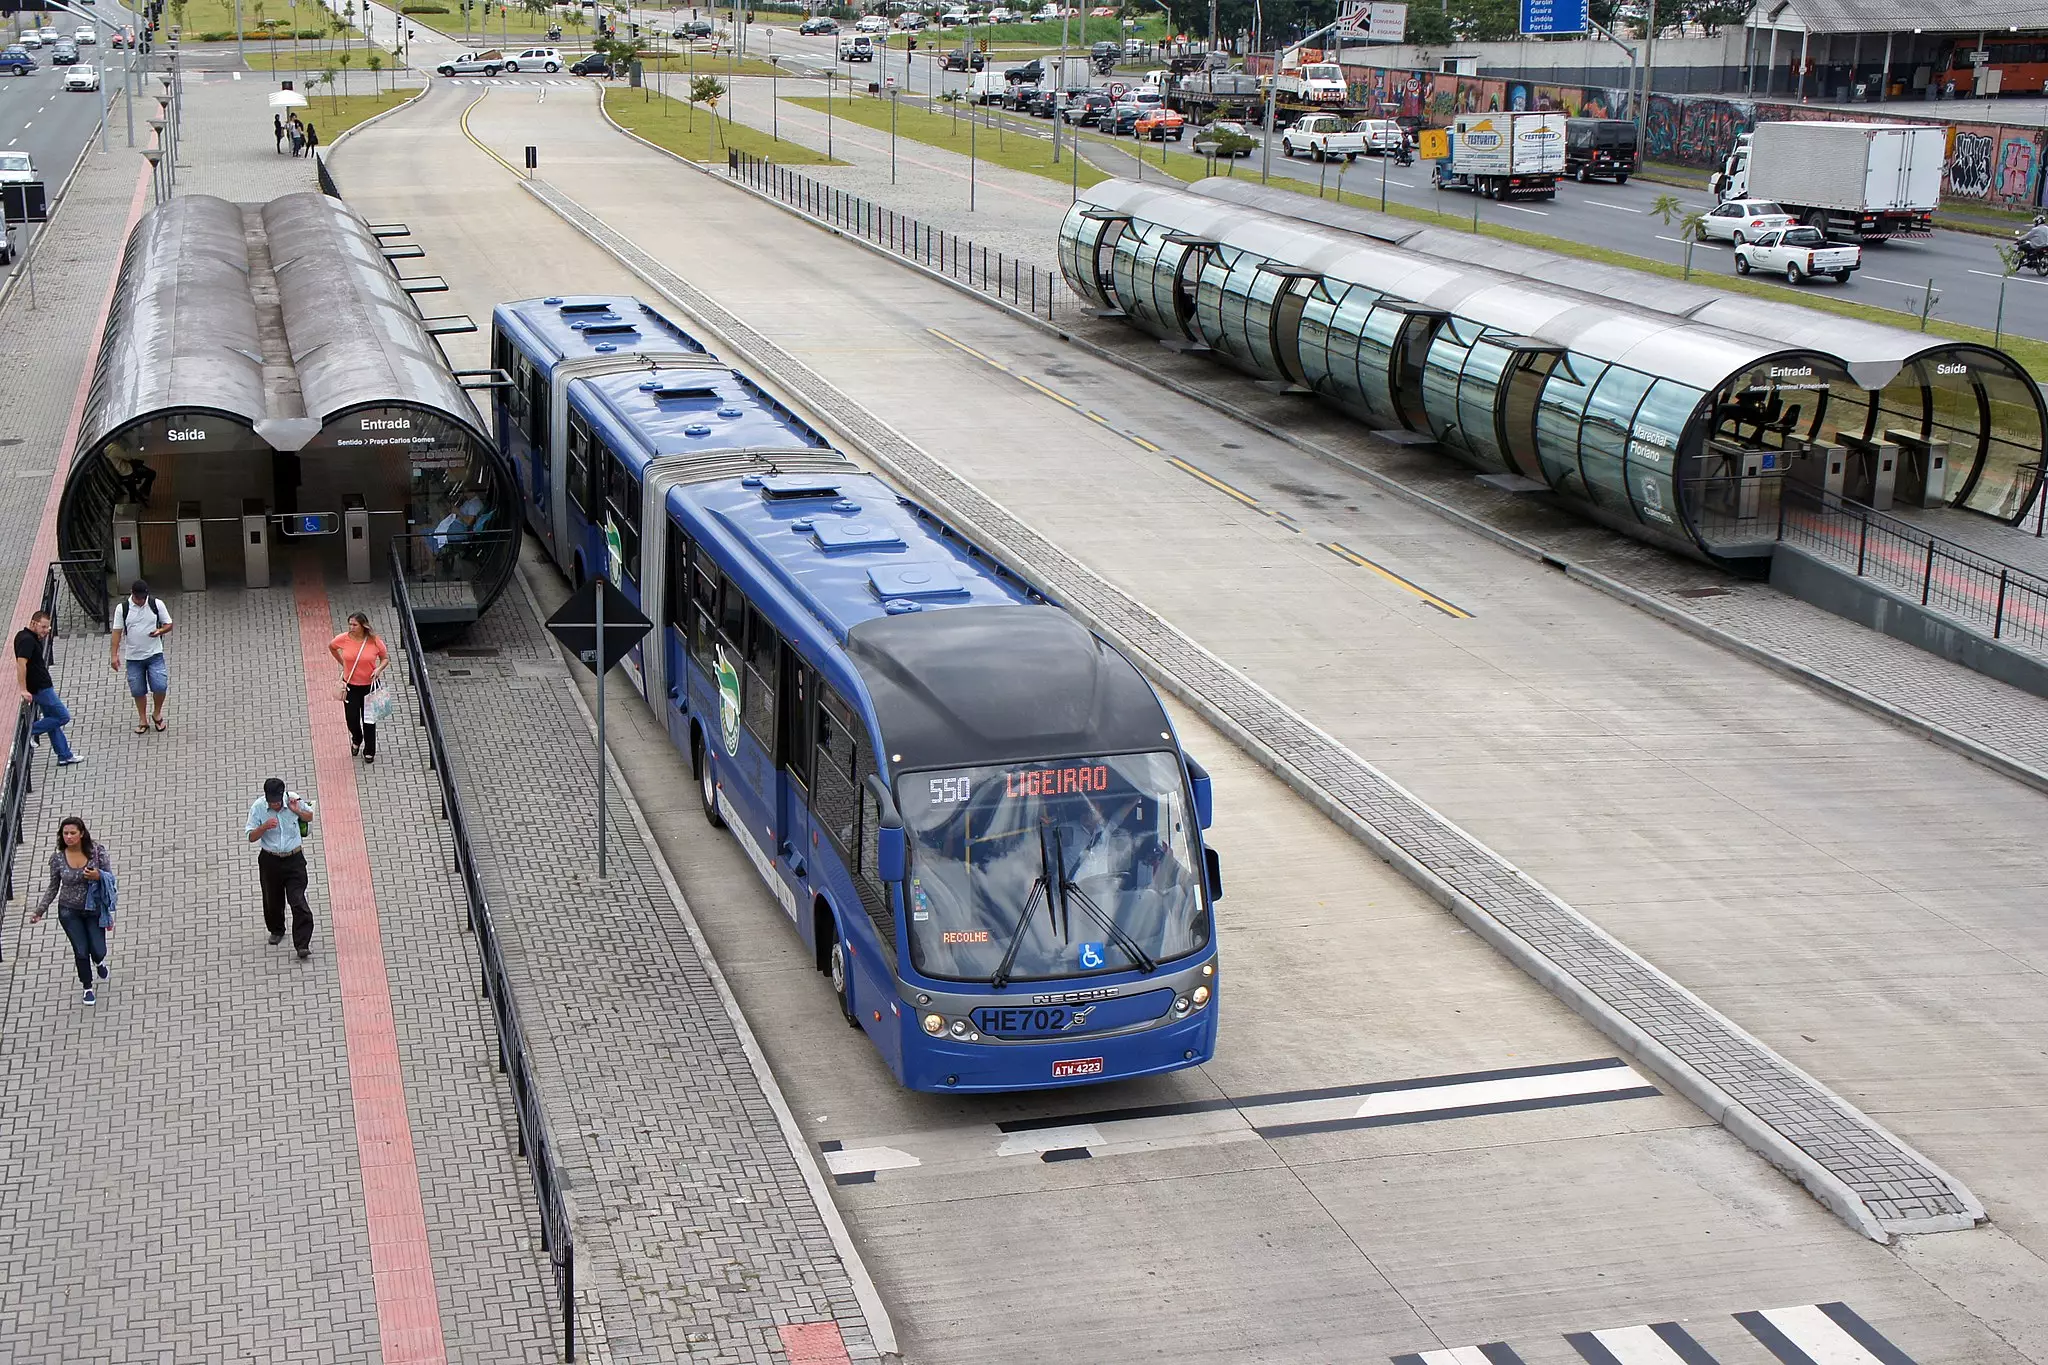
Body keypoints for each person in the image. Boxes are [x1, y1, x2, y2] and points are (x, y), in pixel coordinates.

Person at [30, 816, 115, 1005]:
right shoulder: (58, 859)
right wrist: (40, 911)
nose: (68, 837)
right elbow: (53, 887)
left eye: (72, 833)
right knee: (81, 950)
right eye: (65, 833)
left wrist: (98, 875)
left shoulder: (97, 852)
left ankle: (99, 962)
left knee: (98, 949)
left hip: (93, 909)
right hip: (69, 911)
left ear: (81, 834)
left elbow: (110, 878)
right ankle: (87, 987)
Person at [247, 777, 317, 959]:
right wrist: (263, 827)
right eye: (272, 801)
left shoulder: (293, 799)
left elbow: (310, 816)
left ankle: (302, 944)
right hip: (270, 860)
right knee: (272, 899)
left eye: (277, 800)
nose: (275, 804)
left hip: (294, 859)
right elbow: (251, 837)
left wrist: (297, 811)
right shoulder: (258, 807)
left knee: (298, 900)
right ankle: (277, 929)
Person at [16, 609, 83, 767]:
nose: (46, 631)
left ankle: (64, 755)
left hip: (41, 685)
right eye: (43, 627)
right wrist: (23, 689)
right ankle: (30, 731)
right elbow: (21, 664)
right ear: (33, 623)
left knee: (52, 722)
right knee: (62, 717)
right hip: (40, 688)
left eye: (48, 628)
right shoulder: (27, 640)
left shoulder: (27, 637)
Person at [109, 579, 172, 735]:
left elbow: (168, 624)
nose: (141, 601)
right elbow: (117, 632)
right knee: (138, 690)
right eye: (138, 598)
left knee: (160, 685)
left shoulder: (156, 604)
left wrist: (159, 631)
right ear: (132, 594)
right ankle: (143, 719)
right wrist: (114, 655)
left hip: (154, 654)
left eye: (143, 598)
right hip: (133, 657)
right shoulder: (122, 609)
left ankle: (157, 713)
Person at [328, 611, 389, 763]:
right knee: (352, 719)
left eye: (355, 624)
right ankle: (357, 737)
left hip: (370, 686)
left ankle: (369, 751)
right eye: (350, 624)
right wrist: (343, 663)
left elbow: (385, 658)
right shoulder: (344, 639)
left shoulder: (374, 640)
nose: (351, 627)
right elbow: (332, 647)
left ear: (363, 625)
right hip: (351, 687)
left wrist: (378, 669)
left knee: (369, 720)